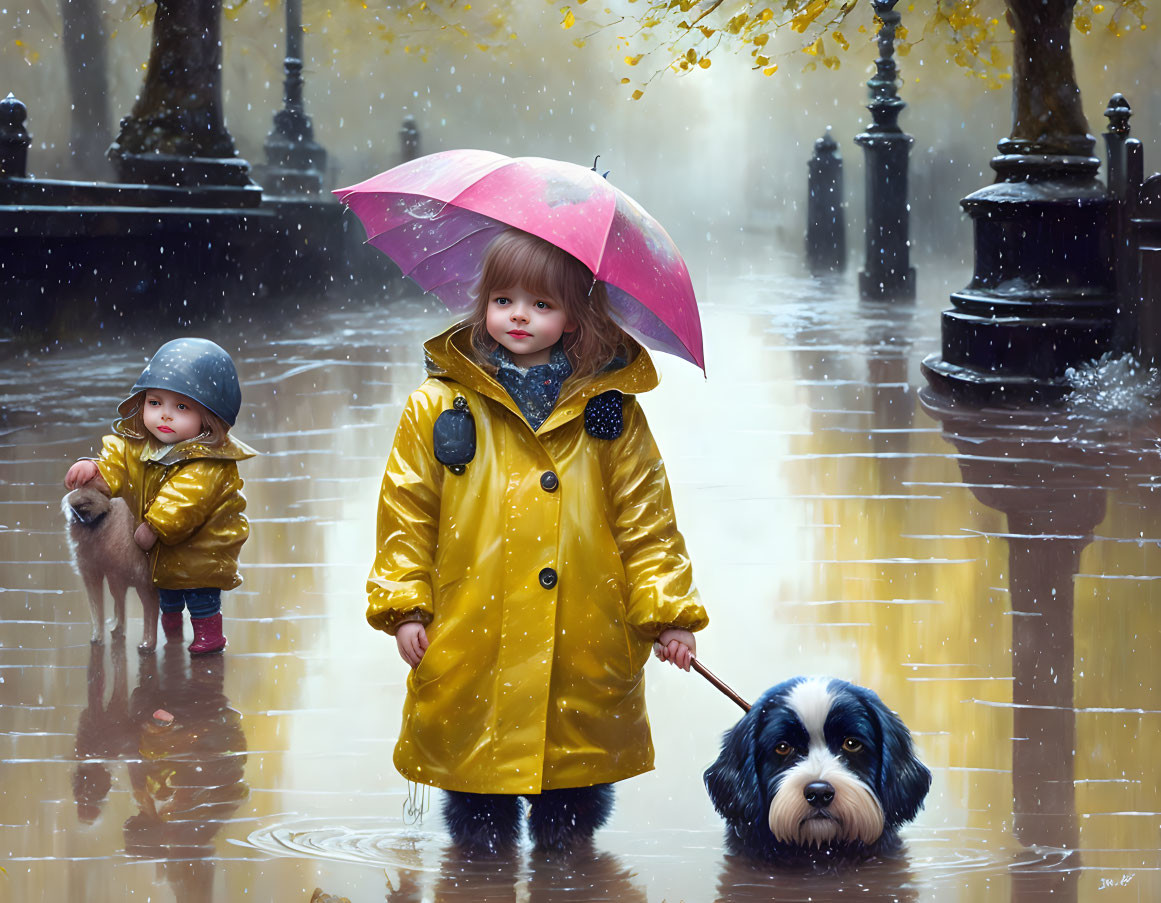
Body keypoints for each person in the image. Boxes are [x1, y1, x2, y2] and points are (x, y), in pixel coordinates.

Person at [367, 227, 708, 854]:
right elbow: (407, 514)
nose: (518, 315)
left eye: (542, 304)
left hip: (582, 636)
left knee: (571, 812)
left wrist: (668, 614)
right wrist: (405, 604)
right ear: (482, 305)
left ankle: (565, 874)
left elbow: (648, 520)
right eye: (503, 299)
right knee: (476, 806)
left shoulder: (611, 413)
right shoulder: (439, 405)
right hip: (474, 632)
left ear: (576, 317)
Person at [64, 338, 256, 655]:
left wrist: (153, 525)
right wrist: (94, 470)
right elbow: (117, 463)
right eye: (155, 403)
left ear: (208, 418)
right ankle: (172, 630)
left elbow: (185, 498)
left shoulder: (210, 463)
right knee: (166, 595)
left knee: (200, 596)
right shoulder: (140, 447)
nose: (164, 416)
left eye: (181, 407)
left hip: (201, 552)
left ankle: (209, 635)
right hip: (160, 555)